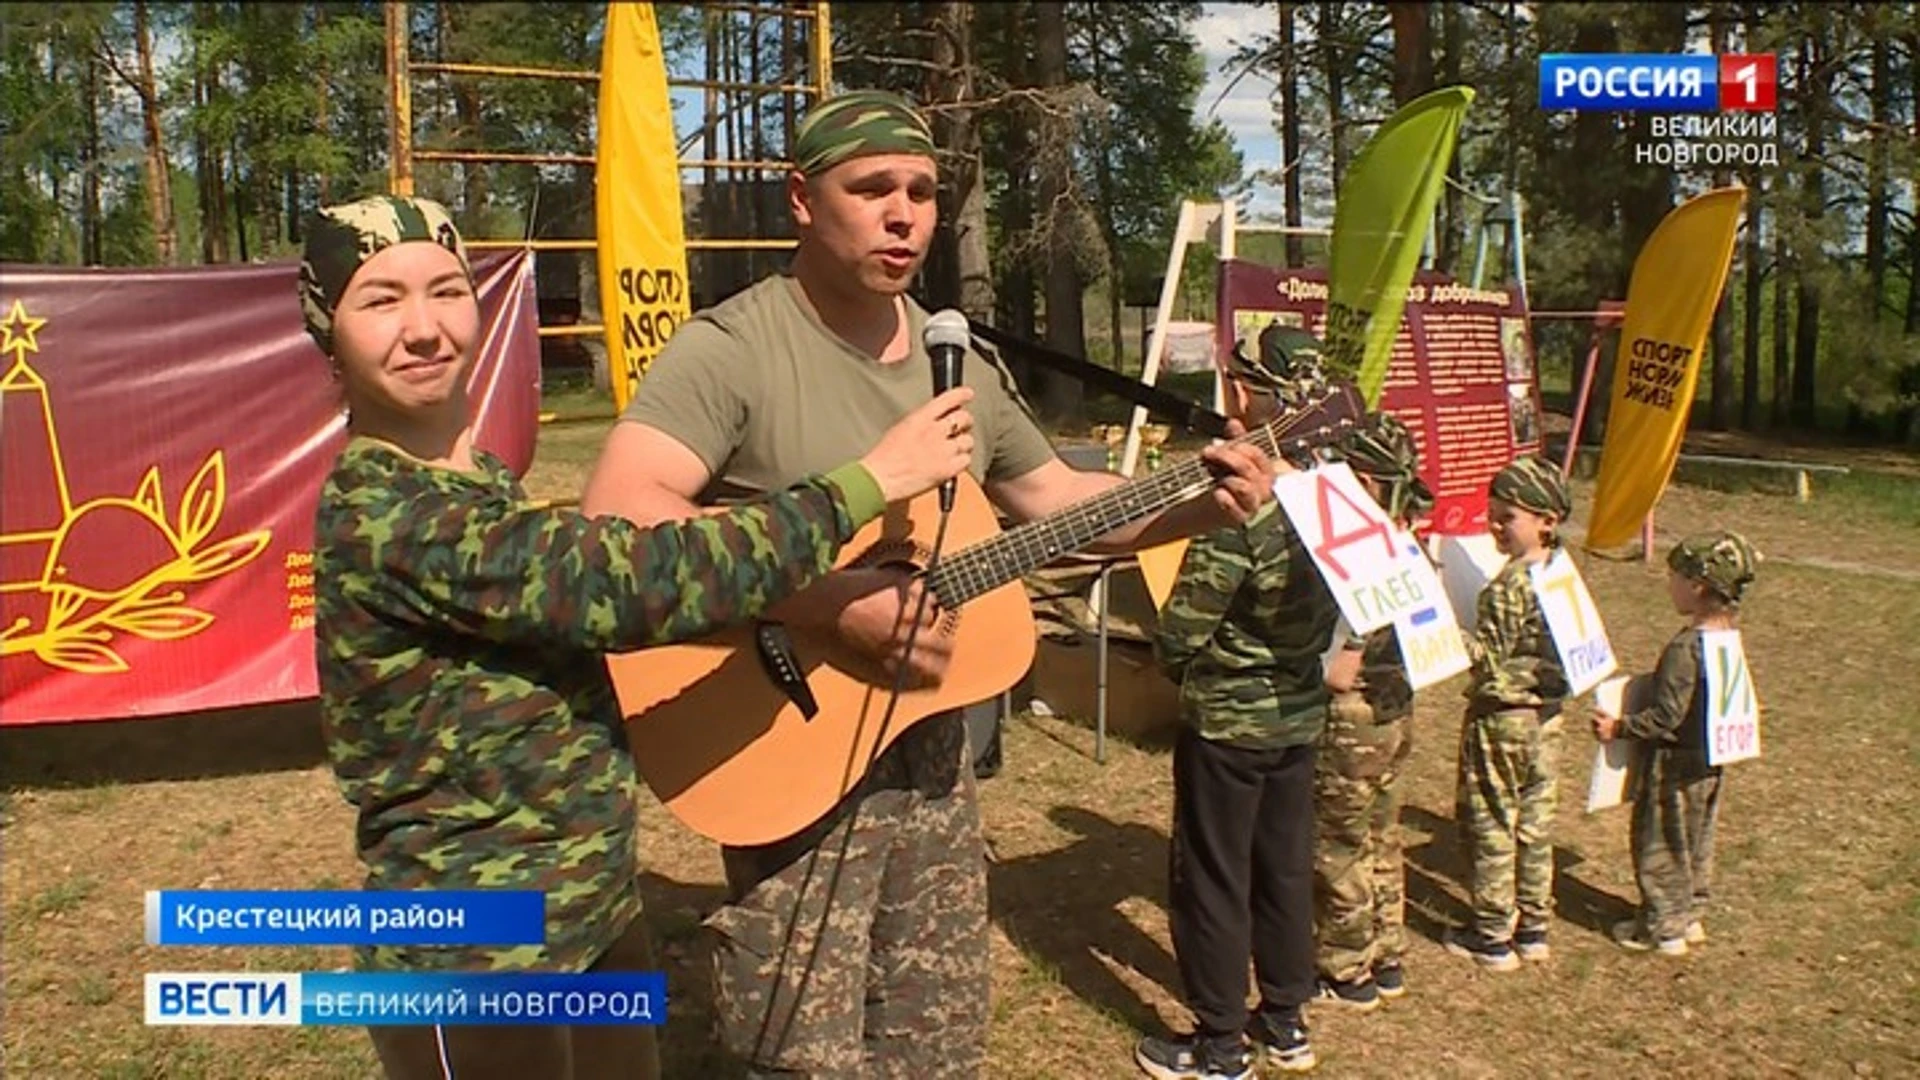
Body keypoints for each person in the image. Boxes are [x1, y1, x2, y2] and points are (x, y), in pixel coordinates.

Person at [578, 89, 1278, 1077]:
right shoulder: (731, 348)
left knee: (935, 1043)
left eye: (921, 191)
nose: (903, 213)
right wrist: (824, 600)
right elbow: (620, 513)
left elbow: (1056, 496)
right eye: (871, 189)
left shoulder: (962, 364)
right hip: (785, 741)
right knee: (802, 1058)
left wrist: (1202, 503)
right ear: (802, 200)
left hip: (933, 760)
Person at [303, 193, 976, 1080]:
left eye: (445, 290)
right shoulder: (385, 513)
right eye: (381, 300)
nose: (425, 329)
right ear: (328, 330)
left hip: (596, 910)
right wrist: (868, 482)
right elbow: (633, 580)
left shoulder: (479, 483)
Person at [1133, 343, 1334, 1080]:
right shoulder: (1334, 497)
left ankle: (1220, 1044)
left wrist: (1175, 665)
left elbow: (1185, 625)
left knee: (1214, 875)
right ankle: (1285, 1019)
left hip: (1229, 722)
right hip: (1301, 715)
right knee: (1283, 868)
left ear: (1245, 397)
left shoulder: (1243, 508)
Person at [1310, 414, 1434, 1010]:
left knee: (1338, 846)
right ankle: (1387, 952)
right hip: (1398, 709)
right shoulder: (1411, 540)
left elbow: (1340, 669)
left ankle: (1345, 966)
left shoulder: (1359, 550)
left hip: (1353, 719)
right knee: (1384, 836)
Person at [1593, 531, 1759, 956]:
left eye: (1675, 578)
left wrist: (1620, 727)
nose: (1670, 586)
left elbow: (1667, 716)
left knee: (1663, 841)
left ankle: (1662, 928)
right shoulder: (1728, 640)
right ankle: (1690, 913)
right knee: (1698, 839)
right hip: (1710, 763)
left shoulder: (1686, 648)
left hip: (1673, 765)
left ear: (1697, 586)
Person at [1442, 456, 1574, 974]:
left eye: (1508, 517)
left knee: (1493, 820)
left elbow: (1487, 655)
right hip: (1548, 715)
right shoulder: (1561, 574)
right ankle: (1534, 924)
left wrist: (1443, 632)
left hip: (1502, 717)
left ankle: (1493, 932)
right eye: (1492, 515)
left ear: (1547, 519)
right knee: (1536, 822)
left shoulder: (1508, 585)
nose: (1496, 527)